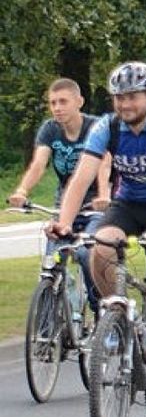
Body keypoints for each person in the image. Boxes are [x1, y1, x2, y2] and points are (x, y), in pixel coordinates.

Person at [48, 62, 146, 417]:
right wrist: (65, 222)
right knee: (97, 248)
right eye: (119, 98)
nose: (125, 104)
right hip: (129, 206)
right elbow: (83, 176)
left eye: (132, 97)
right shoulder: (108, 126)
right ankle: (117, 317)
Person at [9, 78, 112, 313]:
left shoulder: (96, 128)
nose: (57, 107)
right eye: (53, 103)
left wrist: (105, 195)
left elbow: (105, 164)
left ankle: (101, 310)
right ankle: (44, 335)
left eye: (63, 101)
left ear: (79, 102)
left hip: (94, 206)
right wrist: (22, 191)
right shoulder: (50, 129)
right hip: (65, 204)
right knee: (51, 262)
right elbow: (39, 164)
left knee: (88, 255)